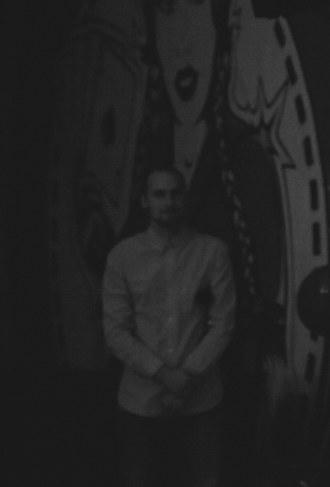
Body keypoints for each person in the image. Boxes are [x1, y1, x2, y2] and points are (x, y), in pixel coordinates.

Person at [103, 166, 236, 487]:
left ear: (185, 198)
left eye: (175, 193)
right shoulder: (123, 257)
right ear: (145, 201)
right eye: (159, 194)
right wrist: (164, 374)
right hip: (141, 401)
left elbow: (224, 323)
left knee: (206, 481)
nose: (168, 201)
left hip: (201, 397)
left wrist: (187, 375)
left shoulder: (212, 252)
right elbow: (116, 331)